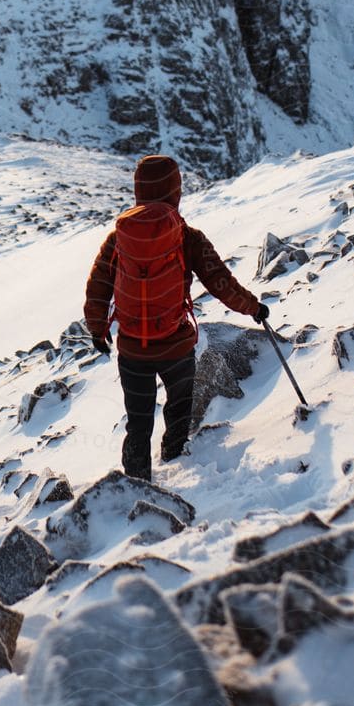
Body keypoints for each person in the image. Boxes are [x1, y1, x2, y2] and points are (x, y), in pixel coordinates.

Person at [82, 153, 268, 482]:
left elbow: (99, 285)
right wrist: (253, 307)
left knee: (138, 422)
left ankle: (137, 485)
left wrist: (97, 329)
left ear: (139, 191)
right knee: (179, 407)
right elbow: (221, 281)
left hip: (133, 350)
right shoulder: (187, 236)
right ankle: (175, 456)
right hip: (176, 345)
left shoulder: (119, 237)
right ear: (175, 192)